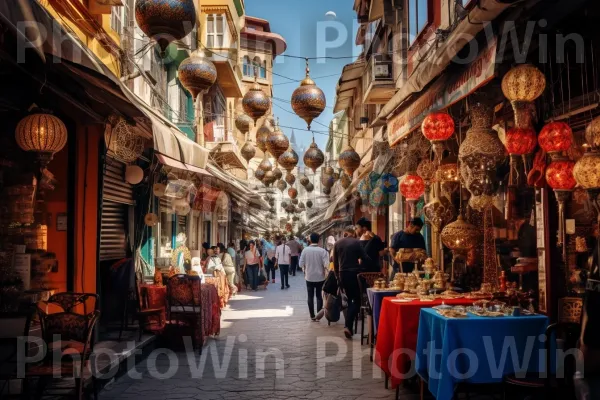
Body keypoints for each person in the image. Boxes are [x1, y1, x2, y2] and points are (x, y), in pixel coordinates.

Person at [333, 225, 373, 339]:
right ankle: (347, 325)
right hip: (354, 274)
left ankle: (349, 327)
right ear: (353, 233)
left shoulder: (337, 244)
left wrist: (338, 278)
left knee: (350, 299)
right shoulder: (356, 242)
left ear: (345, 233)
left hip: (342, 274)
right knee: (356, 300)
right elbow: (365, 258)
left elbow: (335, 264)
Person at [300, 233, 330, 321]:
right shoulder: (323, 251)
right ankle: (318, 316)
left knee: (310, 296)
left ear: (310, 240)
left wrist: (305, 267)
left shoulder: (305, 250)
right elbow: (326, 265)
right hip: (320, 277)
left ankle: (312, 316)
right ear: (319, 240)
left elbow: (300, 264)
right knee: (319, 296)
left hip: (309, 277)